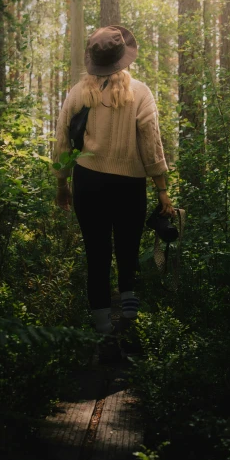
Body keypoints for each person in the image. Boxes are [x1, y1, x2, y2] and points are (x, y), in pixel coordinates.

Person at [52, 25, 175, 340]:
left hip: (88, 183)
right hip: (128, 186)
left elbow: (62, 143)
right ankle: (130, 330)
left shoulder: (77, 94)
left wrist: (62, 185)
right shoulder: (140, 93)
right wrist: (162, 189)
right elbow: (151, 144)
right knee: (127, 255)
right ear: (123, 58)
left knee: (97, 256)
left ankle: (105, 335)